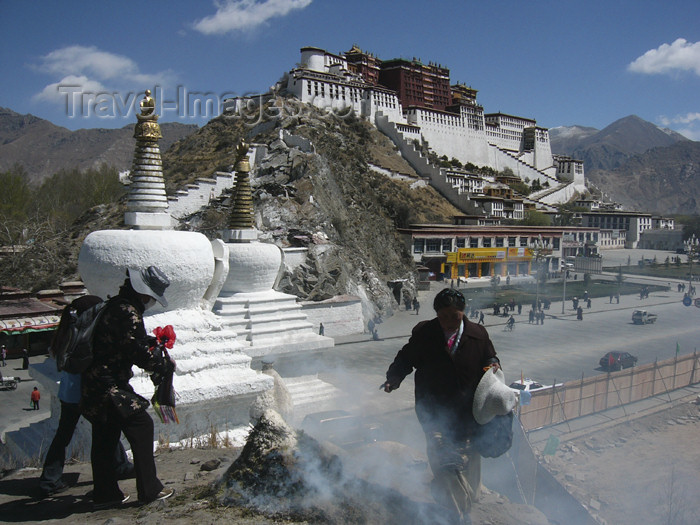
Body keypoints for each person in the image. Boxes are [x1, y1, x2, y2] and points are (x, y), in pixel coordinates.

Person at [382, 288, 501, 524]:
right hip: (433, 410)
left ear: (463, 313)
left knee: (466, 460)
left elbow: (490, 357)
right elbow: (407, 358)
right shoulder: (425, 334)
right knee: (443, 461)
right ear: (436, 313)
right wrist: (394, 377)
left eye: (454, 316)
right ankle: (458, 514)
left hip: (468, 411)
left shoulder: (478, 334)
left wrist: (492, 366)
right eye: (443, 316)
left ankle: (463, 501)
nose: (449, 321)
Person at [81, 266, 175, 508]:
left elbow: (128, 342)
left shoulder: (116, 305)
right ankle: (149, 489)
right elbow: (136, 351)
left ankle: (106, 493)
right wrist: (161, 364)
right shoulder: (128, 312)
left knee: (105, 436)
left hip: (95, 382)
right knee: (141, 425)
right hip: (108, 385)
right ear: (144, 293)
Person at [40, 295, 134, 498]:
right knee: (107, 428)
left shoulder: (68, 332)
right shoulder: (87, 334)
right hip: (87, 391)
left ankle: (49, 479)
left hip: (69, 392)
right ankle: (119, 466)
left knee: (65, 435)